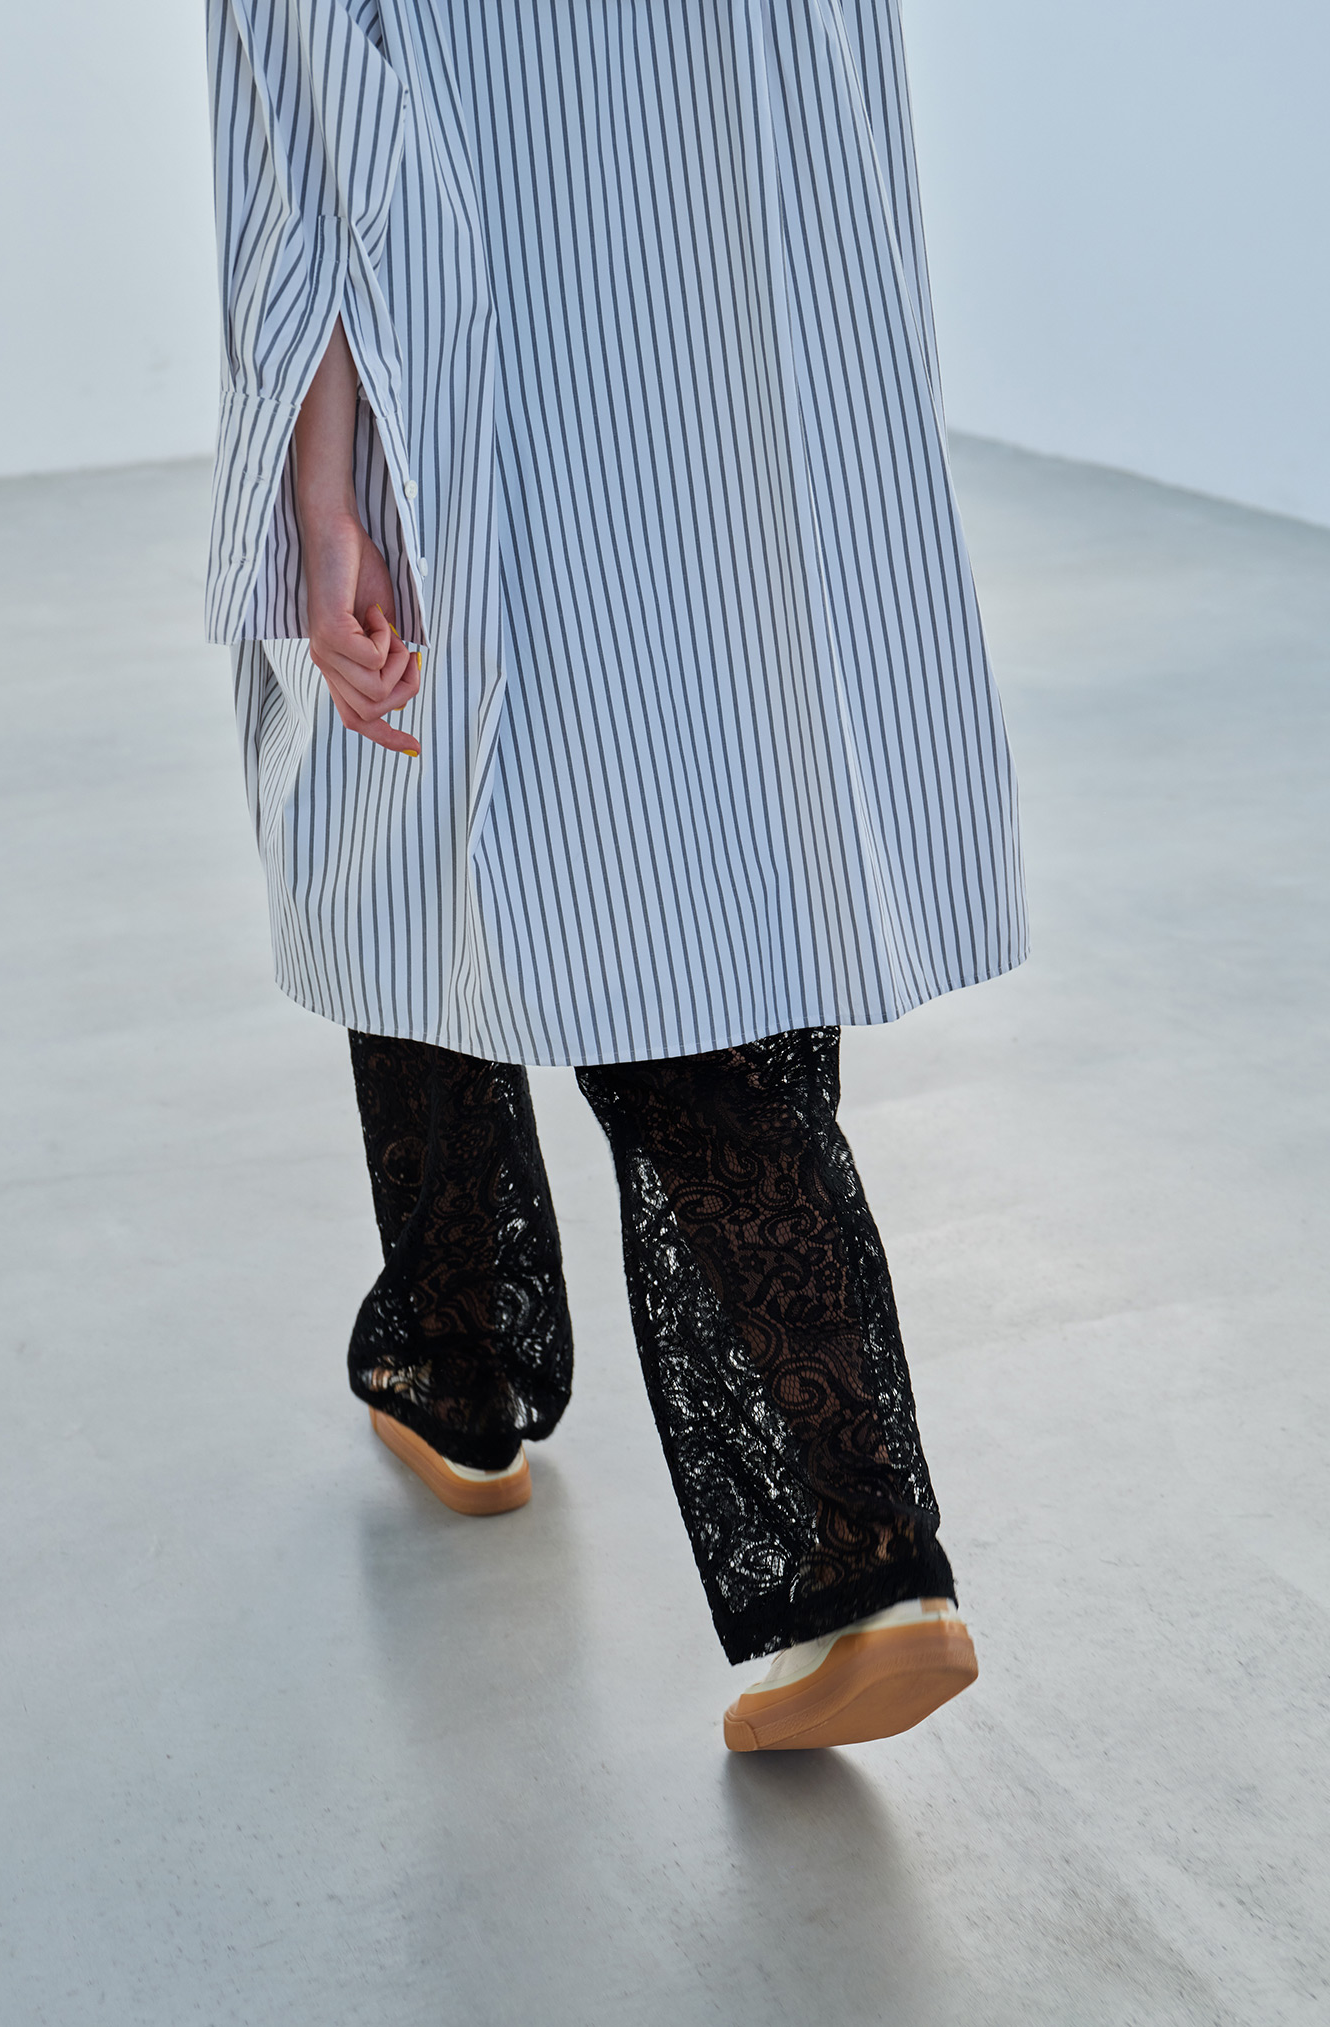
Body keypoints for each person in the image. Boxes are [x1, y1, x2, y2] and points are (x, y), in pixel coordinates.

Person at [203, 0, 1026, 1751]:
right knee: (696, 848)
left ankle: (853, 1554)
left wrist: (315, 472)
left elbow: (308, 100)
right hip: (757, 348)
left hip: (487, 338)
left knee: (441, 821)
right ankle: (459, 1341)